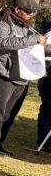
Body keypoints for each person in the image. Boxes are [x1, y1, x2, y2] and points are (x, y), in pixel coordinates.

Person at [0, 0, 46, 157]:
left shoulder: (28, 26)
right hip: (4, 73)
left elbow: (35, 47)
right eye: (29, 12)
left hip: (22, 76)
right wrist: (34, 40)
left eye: (33, 12)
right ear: (17, 10)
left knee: (9, 113)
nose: (31, 15)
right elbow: (4, 43)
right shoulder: (2, 23)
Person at [36, 18, 51, 153]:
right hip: (47, 75)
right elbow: (43, 52)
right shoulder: (50, 34)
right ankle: (44, 141)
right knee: (48, 108)